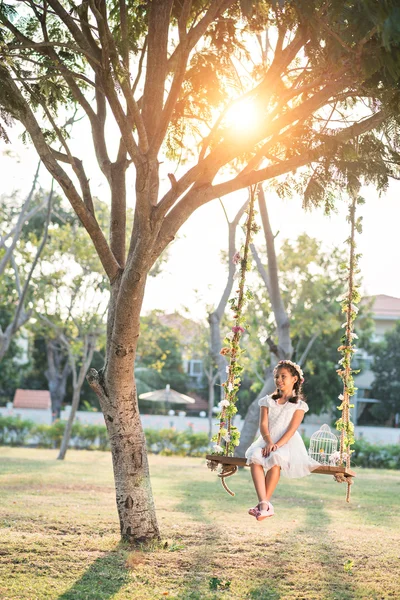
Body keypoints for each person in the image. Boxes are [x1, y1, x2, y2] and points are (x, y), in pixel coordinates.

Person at [245, 360, 320, 521]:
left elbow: (291, 430)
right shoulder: (267, 401)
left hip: (286, 443)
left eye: (283, 376)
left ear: (294, 379)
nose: (279, 380)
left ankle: (263, 507)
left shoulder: (299, 405)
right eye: (277, 376)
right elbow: (263, 425)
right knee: (254, 457)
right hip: (266, 440)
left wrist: (277, 445)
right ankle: (264, 504)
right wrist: (269, 443)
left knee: (276, 459)